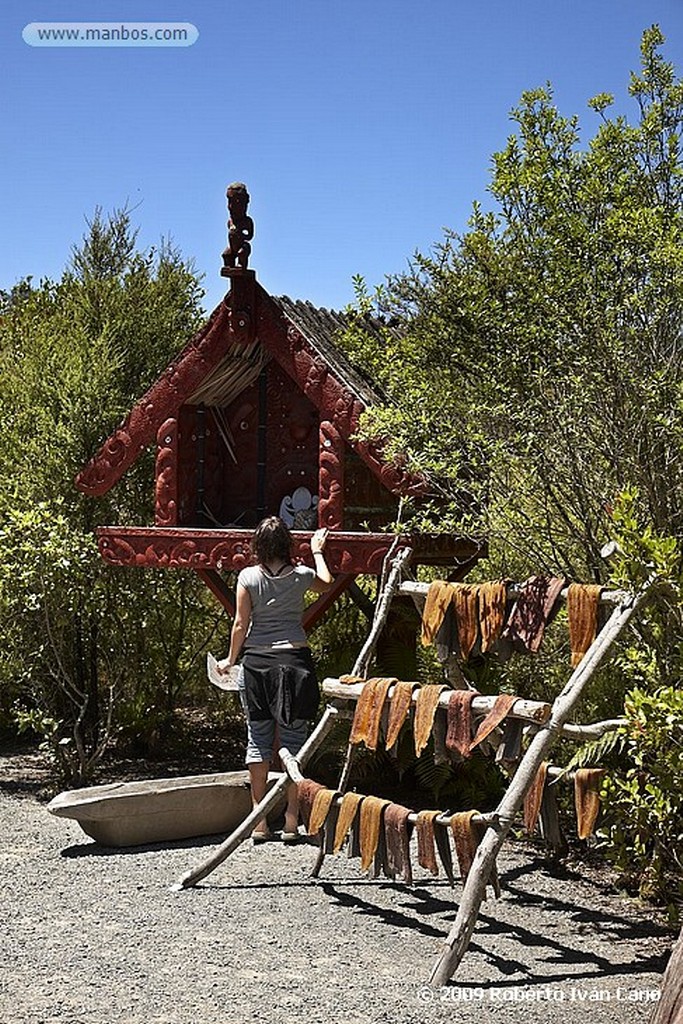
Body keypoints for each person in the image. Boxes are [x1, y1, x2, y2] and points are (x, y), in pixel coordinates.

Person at [217, 517, 333, 843]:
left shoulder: (248, 577)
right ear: (286, 545)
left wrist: (230, 659)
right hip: (295, 662)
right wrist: (317, 551)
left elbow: (241, 623)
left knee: (259, 740)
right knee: (294, 743)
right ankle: (292, 821)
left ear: (258, 545)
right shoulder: (301, 576)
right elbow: (326, 581)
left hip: (256, 664)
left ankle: (259, 822)